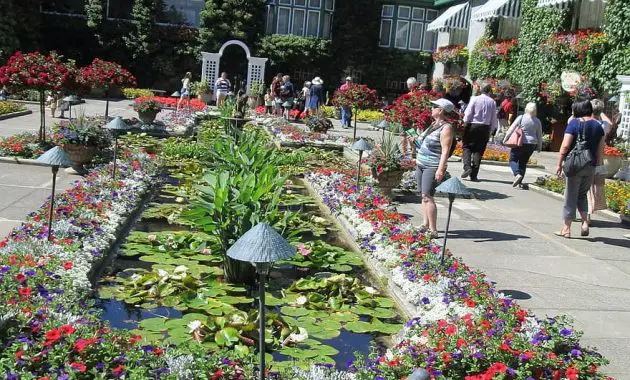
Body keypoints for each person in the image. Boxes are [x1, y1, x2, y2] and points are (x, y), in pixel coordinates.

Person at [554, 100, 605, 238]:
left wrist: (559, 163)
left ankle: (566, 228)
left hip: (575, 165)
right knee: (582, 195)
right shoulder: (598, 126)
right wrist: (598, 167)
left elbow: (565, 146)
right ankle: (584, 223)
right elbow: (601, 151)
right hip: (590, 165)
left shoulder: (574, 123)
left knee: (570, 196)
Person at [413, 98, 456, 238]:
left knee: (428, 196)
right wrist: (413, 141)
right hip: (421, 163)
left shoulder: (446, 128)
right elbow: (423, 143)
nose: (431, 108)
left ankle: (433, 230)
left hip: (432, 165)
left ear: (441, 110)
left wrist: (440, 169)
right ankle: (425, 224)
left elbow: (445, 151)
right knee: (423, 195)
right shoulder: (433, 124)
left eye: (434, 106)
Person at [461, 82, 497, 181]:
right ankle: (474, 175)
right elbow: (494, 118)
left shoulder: (474, 99)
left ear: (481, 89)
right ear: (489, 90)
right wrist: (491, 130)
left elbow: (468, 114)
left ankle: (467, 167)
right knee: (479, 150)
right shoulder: (492, 102)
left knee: (467, 147)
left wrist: (464, 124)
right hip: (485, 127)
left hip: (473, 125)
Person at [503, 102, 543, 188]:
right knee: (523, 162)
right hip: (532, 144)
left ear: (526, 109)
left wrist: (505, 139)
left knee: (512, 159)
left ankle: (517, 174)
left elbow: (511, 129)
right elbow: (539, 135)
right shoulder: (537, 121)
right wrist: (539, 146)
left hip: (520, 142)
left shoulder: (521, 118)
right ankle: (520, 182)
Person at [587, 99, 613, 221]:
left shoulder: (584, 122)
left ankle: (586, 213)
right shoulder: (603, 125)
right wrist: (601, 112)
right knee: (596, 186)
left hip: (586, 157)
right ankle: (589, 211)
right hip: (600, 159)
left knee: (585, 186)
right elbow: (610, 123)